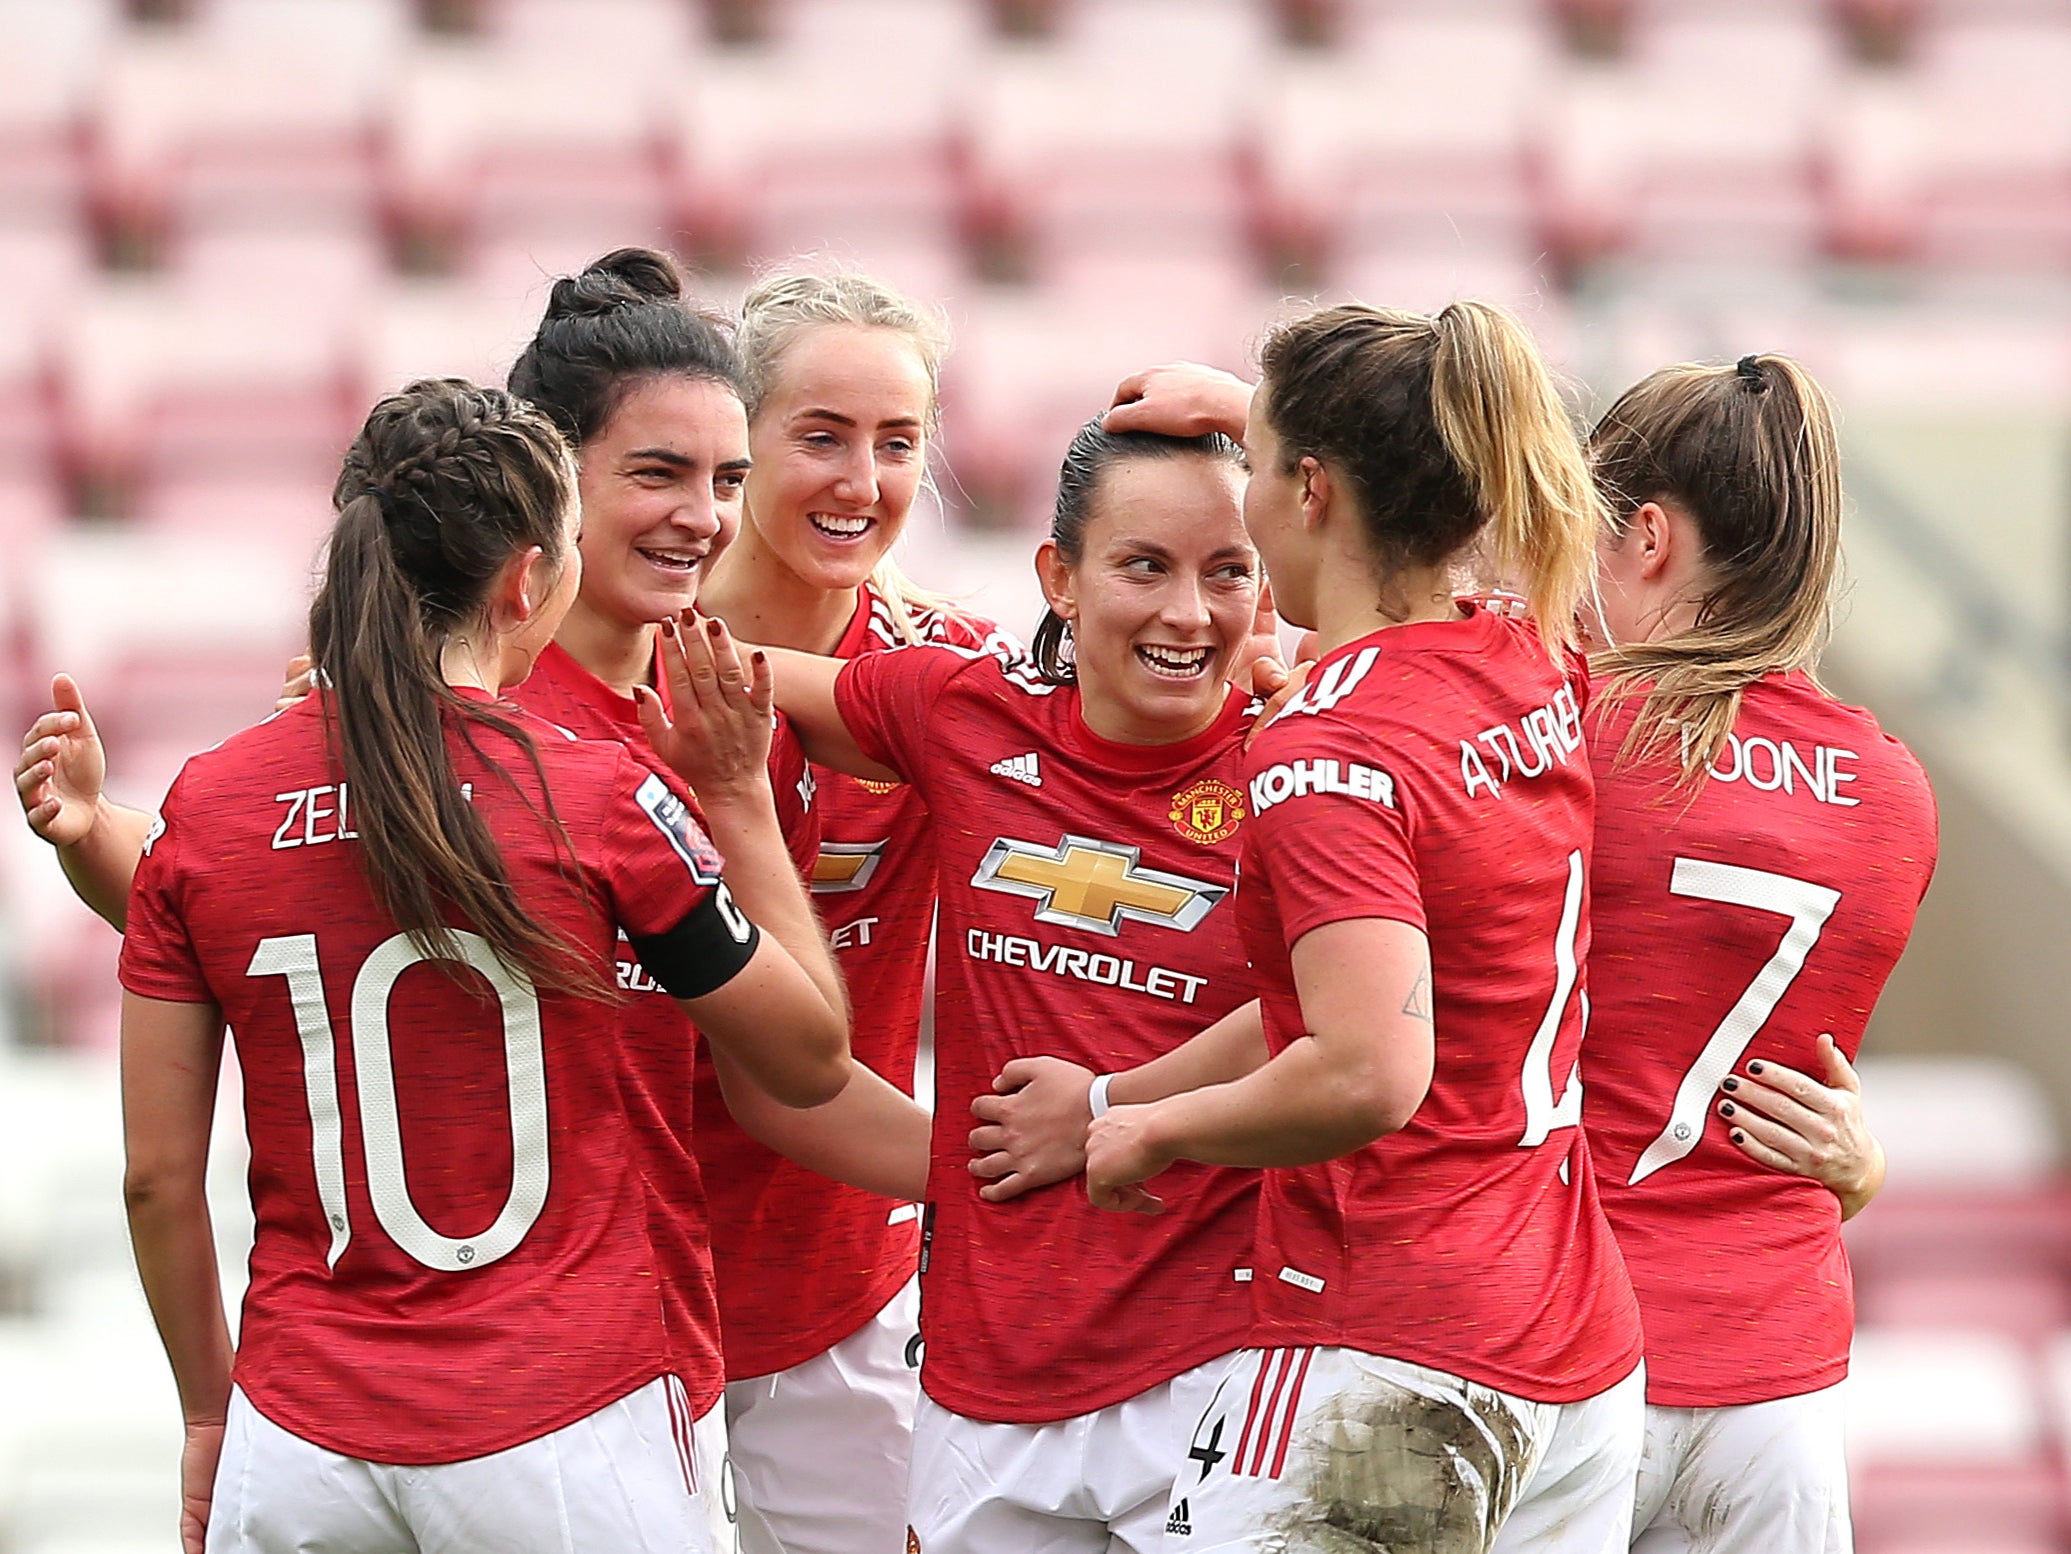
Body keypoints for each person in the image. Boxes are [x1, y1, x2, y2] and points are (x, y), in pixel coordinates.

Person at [109, 378, 850, 1553]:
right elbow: (806, 1059)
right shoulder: (598, 794)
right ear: (525, 578)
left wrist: (210, 1412)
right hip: (565, 1415)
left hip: (297, 1434)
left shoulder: (207, 802)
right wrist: (735, 799)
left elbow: (158, 1180)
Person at [1004, 303, 1648, 1553]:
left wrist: (1155, 1131)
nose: (1237, 495)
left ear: (1310, 490)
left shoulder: (1325, 752)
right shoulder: (1526, 648)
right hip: (1568, 1342)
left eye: (1253, 465)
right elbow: (1361, 997)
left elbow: (1366, 1064)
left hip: (1388, 1344)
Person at [754, 416, 1281, 1554]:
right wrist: (405, 680)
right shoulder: (960, 712)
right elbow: (708, 670)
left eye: (1227, 571)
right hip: (979, 1383)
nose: (1189, 615)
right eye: (1144, 565)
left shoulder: (1304, 759)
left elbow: (1334, 1021)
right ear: (1061, 577)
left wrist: (1109, 1106)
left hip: (1221, 1370)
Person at [1579, 353, 1936, 1554]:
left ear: (1643, 536)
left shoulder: (1563, 731)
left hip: (1567, 1344)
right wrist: (1861, 1173)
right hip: (1779, 1377)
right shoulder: (1892, 789)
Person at [693, 270, 1014, 1554]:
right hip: (614, 1295)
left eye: (897, 443)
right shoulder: (594, 671)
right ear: (740, 442)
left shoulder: (958, 682)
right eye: (819, 436)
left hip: (846, 1293)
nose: (861, 481)